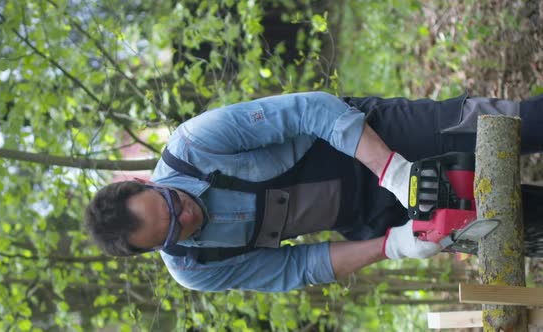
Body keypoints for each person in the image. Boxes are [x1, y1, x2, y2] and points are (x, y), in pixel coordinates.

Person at [85, 92, 543, 292]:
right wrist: (393, 245)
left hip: (377, 138)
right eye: (171, 235)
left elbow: (314, 111)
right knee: (514, 224)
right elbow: (299, 267)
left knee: (519, 128)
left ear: (148, 183)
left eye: (170, 203)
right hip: (364, 214)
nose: (185, 219)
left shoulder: (194, 144)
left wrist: (395, 170)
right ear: (159, 251)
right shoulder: (195, 268)